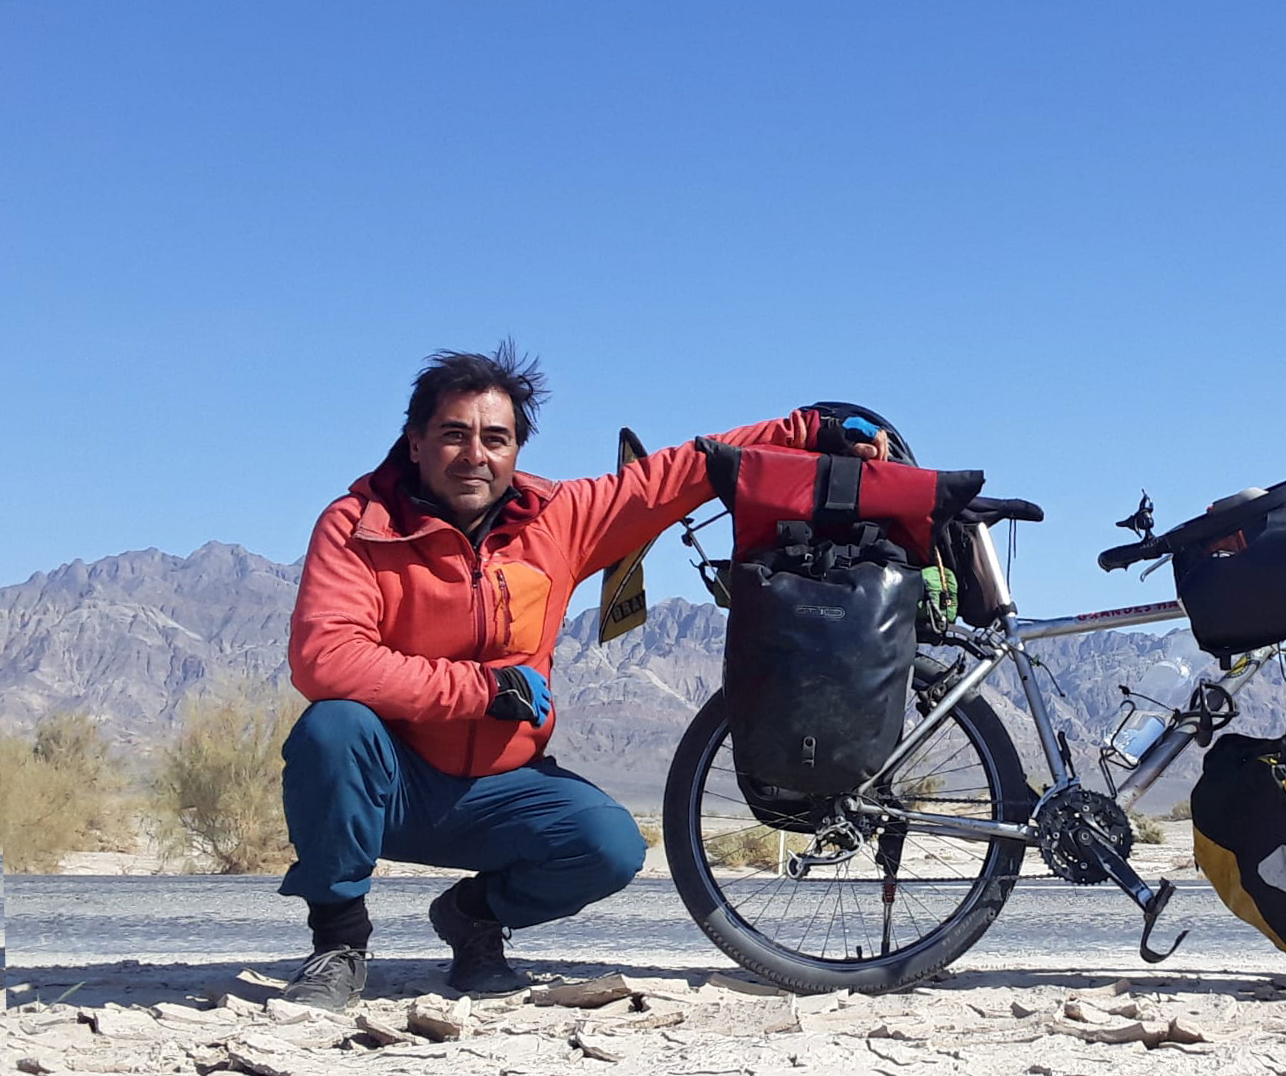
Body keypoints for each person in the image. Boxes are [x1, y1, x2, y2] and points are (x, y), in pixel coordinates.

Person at [277, 343, 885, 1009]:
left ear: (516, 451)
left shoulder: (557, 519)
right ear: (415, 443)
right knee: (333, 728)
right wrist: (482, 690)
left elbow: (682, 472)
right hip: (394, 786)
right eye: (453, 434)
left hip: (502, 793)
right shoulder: (359, 524)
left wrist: (808, 431)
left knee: (610, 845)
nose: (475, 454)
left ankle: (474, 919)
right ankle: (337, 945)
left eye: (495, 438)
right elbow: (324, 658)